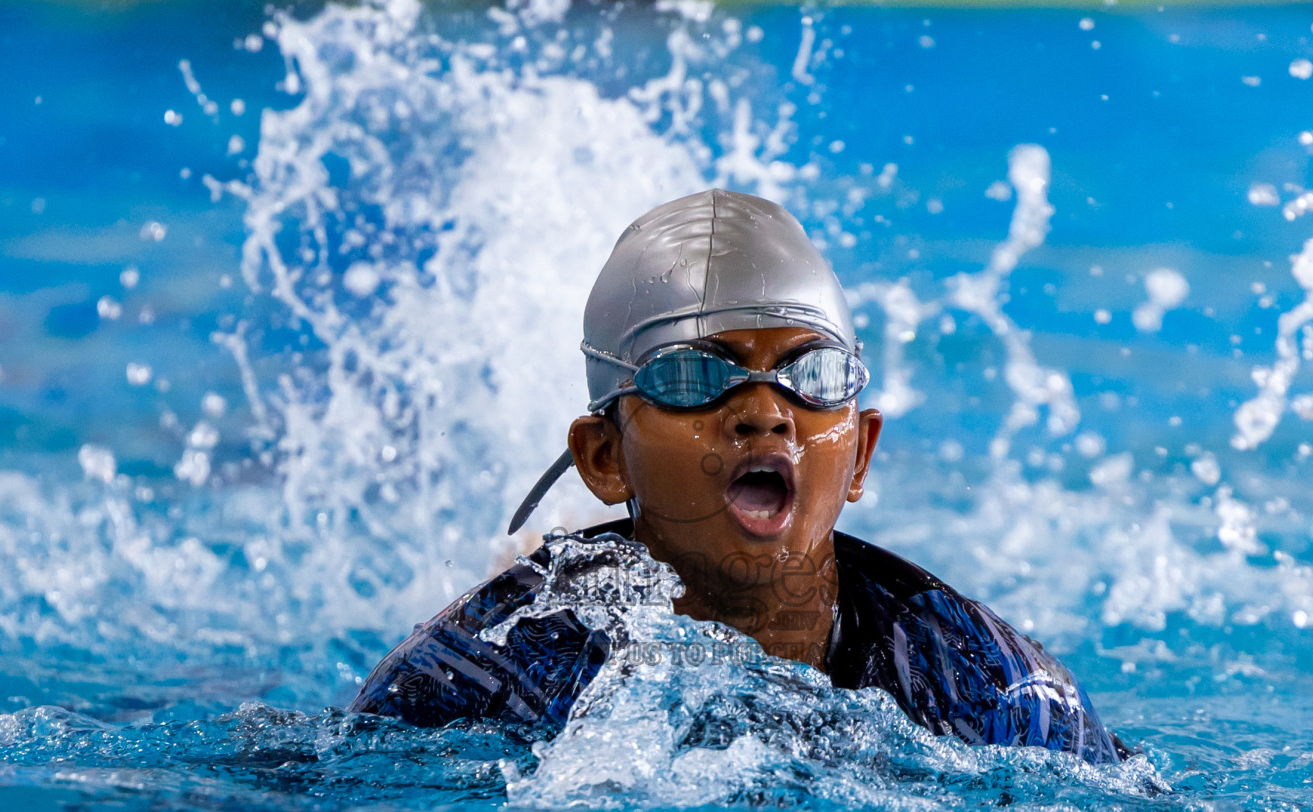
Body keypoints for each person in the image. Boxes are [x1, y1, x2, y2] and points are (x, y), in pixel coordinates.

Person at [353, 189, 1126, 764]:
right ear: (604, 457)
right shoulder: (482, 673)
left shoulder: (987, 688)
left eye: (811, 375)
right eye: (693, 377)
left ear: (860, 452)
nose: (765, 413)